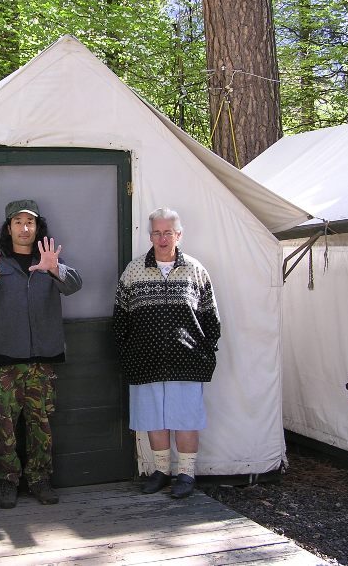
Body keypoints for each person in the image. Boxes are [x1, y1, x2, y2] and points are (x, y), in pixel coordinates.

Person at [0, 199, 82, 509]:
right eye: (18, 222)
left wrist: (55, 268)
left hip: (42, 361)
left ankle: (40, 479)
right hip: (4, 361)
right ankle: (7, 482)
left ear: (37, 227)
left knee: (40, 422)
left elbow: (74, 285)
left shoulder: (49, 260)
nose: (24, 228)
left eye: (30, 222)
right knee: (3, 423)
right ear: (9, 227)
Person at [113, 207, 220, 499]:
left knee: (185, 418)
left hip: (186, 362)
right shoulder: (133, 271)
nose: (162, 238)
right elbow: (120, 317)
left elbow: (211, 318)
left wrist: (205, 351)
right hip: (145, 361)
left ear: (179, 234)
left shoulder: (195, 270)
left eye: (168, 232)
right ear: (150, 236)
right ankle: (161, 471)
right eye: (157, 233)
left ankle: (186, 474)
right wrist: (127, 353)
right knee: (153, 418)